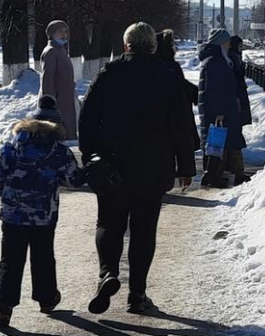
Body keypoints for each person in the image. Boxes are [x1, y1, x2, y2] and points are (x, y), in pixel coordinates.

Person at [78, 22, 197, 315]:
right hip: (153, 166)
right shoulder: (167, 76)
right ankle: (137, 294)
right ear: (153, 47)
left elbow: (88, 118)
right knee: (144, 230)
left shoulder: (109, 73)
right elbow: (181, 125)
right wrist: (186, 166)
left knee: (108, 223)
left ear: (126, 44)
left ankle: (107, 273)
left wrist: (90, 154)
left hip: (112, 163)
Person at [0, 95, 84, 328]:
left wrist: (1, 192)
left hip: (13, 216)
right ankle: (47, 299)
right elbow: (73, 179)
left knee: (10, 260)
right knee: (43, 257)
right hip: (44, 217)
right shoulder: (59, 152)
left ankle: (3, 308)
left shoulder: (11, 149)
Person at [198, 29, 246, 188]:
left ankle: (221, 174)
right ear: (220, 43)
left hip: (223, 110)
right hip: (219, 112)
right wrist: (219, 111)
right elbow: (214, 90)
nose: (228, 45)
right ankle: (212, 176)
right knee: (217, 143)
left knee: (222, 142)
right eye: (226, 42)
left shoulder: (217, 60)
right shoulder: (215, 62)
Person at [39, 20, 78, 140]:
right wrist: (49, 101)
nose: (64, 34)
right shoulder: (51, 51)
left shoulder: (60, 50)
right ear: (51, 33)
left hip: (64, 98)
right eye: (60, 31)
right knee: (57, 130)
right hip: (57, 100)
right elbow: (48, 78)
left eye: (66, 31)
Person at [226, 35, 253, 185]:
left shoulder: (232, 58)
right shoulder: (233, 59)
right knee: (234, 137)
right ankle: (236, 171)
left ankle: (231, 169)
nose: (241, 49)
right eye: (240, 46)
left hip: (236, 102)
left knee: (233, 136)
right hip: (235, 103)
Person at [156, 29, 199, 109]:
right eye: (171, 45)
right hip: (176, 114)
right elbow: (180, 86)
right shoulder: (169, 66)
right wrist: (195, 92)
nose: (174, 48)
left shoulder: (159, 64)